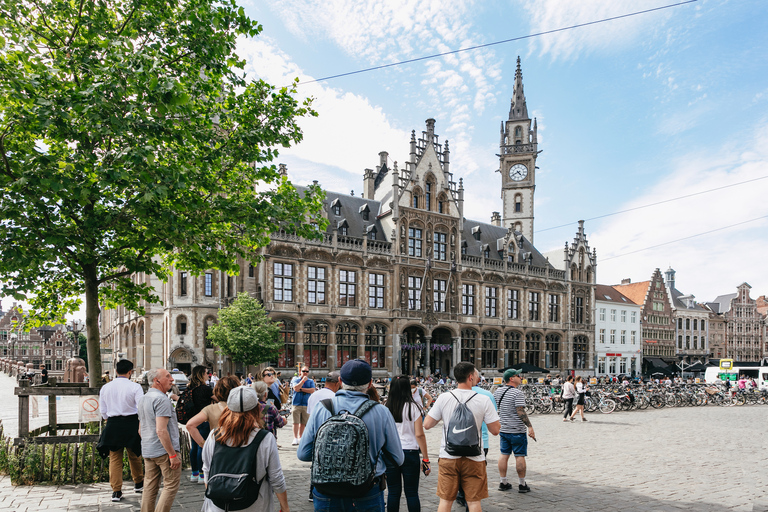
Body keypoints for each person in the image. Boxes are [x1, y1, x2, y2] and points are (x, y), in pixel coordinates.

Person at [298, 359, 404, 511]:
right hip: (366, 490)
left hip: (326, 490)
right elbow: (398, 458)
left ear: (340, 381)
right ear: (370, 383)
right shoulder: (381, 412)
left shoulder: (321, 408)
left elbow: (303, 454)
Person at [423, 362, 500, 512]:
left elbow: (427, 424)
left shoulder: (444, 398)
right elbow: (495, 430)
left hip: (448, 456)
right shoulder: (483, 399)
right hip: (474, 457)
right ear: (470, 377)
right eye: (477, 375)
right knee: (473, 502)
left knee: (445, 502)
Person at [201, 386, 290, 512]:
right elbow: (276, 477)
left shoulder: (214, 436)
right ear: (256, 409)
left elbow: (207, 471)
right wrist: (285, 507)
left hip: (217, 506)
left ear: (228, 409)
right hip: (254, 505)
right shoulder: (265, 438)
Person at [96, 359, 144, 502]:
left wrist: (108, 418)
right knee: (134, 454)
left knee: (115, 458)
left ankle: (116, 491)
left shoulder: (106, 387)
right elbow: (141, 407)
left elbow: (103, 410)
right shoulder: (135, 387)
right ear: (130, 372)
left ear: (116, 371)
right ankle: (138, 483)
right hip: (131, 422)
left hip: (113, 423)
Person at [137, 368, 181, 512]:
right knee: (170, 485)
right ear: (157, 381)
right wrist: (172, 454)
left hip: (148, 450)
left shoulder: (143, 398)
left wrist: (150, 443)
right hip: (165, 451)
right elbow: (161, 430)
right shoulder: (161, 400)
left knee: (149, 486)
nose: (172, 379)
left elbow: (140, 429)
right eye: (168, 376)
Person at [384, 375, 430, 512]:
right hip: (410, 452)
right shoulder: (414, 407)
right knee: (411, 493)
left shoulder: (386, 406)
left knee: (393, 492)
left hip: (391, 452)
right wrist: (426, 459)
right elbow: (419, 434)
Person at [456, 371, 498, 509]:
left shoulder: (452, 394)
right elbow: (494, 422)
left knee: (460, 470)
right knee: (474, 475)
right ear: (476, 378)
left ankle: (461, 494)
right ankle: (470, 500)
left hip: (456, 440)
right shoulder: (487, 395)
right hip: (481, 441)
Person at [493, 369, 535, 493]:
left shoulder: (497, 392)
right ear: (512, 378)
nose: (521, 377)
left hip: (504, 429)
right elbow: (520, 411)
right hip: (517, 430)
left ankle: (503, 481)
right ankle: (522, 484)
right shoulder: (517, 393)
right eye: (518, 375)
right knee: (519, 455)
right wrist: (530, 426)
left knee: (504, 454)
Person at [187, 376, 240, 449]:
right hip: (240, 448)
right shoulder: (244, 407)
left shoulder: (210, 409)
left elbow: (190, 425)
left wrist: (204, 445)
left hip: (218, 448)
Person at [186, 365, 214, 483]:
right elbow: (218, 398)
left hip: (193, 419)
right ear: (201, 374)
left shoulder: (189, 388)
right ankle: (202, 475)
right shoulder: (205, 389)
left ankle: (194, 473)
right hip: (203, 419)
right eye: (207, 373)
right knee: (202, 445)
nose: (208, 375)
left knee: (194, 446)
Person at [290, 366, 315, 445]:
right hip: (296, 403)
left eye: (307, 372)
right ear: (300, 371)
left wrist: (301, 389)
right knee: (295, 422)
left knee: (303, 422)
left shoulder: (310, 381)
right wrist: (302, 381)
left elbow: (312, 390)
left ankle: (301, 437)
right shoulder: (295, 379)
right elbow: (296, 388)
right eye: (304, 371)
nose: (305, 373)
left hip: (306, 404)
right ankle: (295, 438)